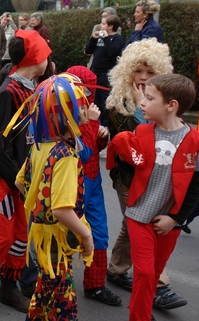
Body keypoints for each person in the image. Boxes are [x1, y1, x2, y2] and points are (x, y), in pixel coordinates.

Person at [0, 29, 51, 318]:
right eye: (45, 54)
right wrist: (17, 178)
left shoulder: (31, 88)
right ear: (35, 57)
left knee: (19, 237)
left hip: (21, 179)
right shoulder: (9, 93)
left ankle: (8, 287)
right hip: (4, 179)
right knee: (1, 237)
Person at [106, 74, 199, 321]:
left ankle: (142, 311)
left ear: (171, 105)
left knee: (154, 272)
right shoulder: (142, 130)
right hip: (139, 215)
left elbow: (196, 186)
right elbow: (133, 159)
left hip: (169, 222)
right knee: (146, 274)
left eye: (149, 98)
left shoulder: (195, 141)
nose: (143, 103)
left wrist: (175, 218)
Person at [13, 73, 94, 321]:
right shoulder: (66, 156)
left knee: (46, 296)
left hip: (39, 235)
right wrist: (86, 235)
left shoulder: (40, 146)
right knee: (61, 305)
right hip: (56, 243)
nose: (85, 116)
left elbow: (20, 181)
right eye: (81, 112)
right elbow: (61, 210)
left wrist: (39, 204)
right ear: (66, 118)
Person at [66, 65, 122, 306]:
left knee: (99, 234)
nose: (90, 98)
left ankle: (95, 285)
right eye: (86, 92)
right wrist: (91, 125)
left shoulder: (85, 112)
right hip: (71, 183)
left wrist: (101, 136)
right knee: (67, 236)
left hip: (93, 182)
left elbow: (92, 149)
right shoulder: (63, 113)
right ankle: (60, 286)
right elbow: (83, 153)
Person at [85, 14, 125, 125]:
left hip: (106, 74)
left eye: (103, 23)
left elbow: (112, 52)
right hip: (94, 73)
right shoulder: (99, 37)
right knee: (94, 100)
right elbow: (88, 51)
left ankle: (106, 126)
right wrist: (93, 38)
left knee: (105, 102)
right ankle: (96, 124)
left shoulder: (117, 38)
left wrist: (107, 38)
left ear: (111, 26)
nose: (100, 25)